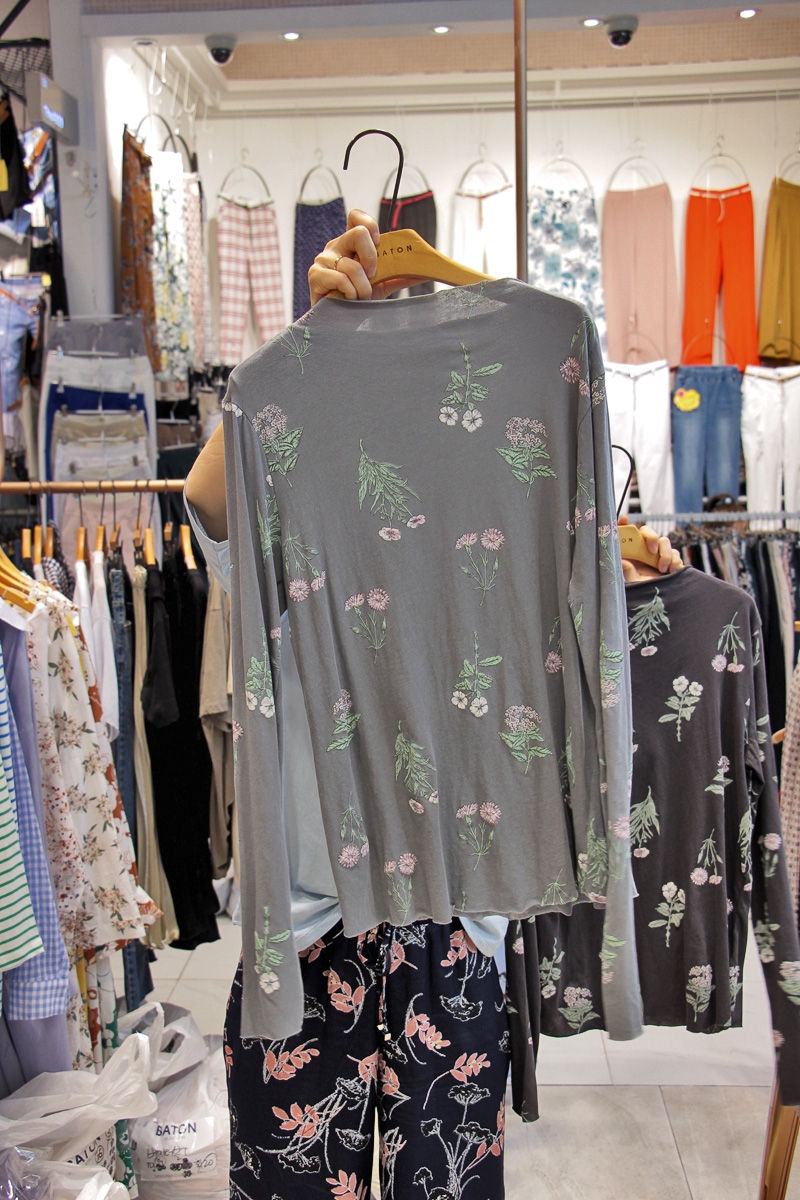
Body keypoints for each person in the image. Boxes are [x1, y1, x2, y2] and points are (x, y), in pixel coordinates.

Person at [185, 209, 681, 1198]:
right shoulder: (283, 397)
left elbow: (581, 598)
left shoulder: (541, 359)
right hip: (311, 916)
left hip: (458, 904)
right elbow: (207, 500)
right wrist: (301, 343)